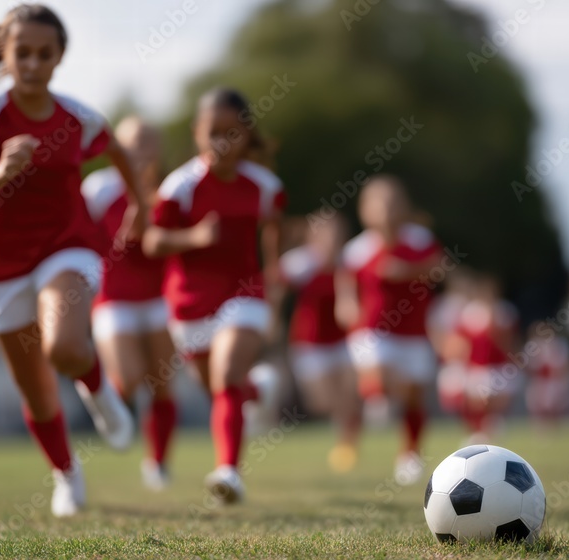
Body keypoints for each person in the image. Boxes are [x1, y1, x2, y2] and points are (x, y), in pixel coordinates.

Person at [0, 4, 143, 517]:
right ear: (6, 56)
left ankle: (100, 392)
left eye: (44, 54)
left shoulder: (78, 117)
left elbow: (117, 149)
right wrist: (1, 172)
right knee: (36, 391)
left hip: (66, 245)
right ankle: (67, 477)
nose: (32, 63)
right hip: (0, 265)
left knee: (65, 348)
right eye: (22, 53)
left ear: (59, 59)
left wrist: (141, 205)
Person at [142, 87, 284, 504]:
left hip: (244, 295)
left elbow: (274, 228)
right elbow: (152, 242)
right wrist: (195, 236)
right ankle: (259, 390)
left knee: (225, 379)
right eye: (213, 133)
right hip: (189, 305)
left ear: (246, 134)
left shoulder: (264, 186)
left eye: (232, 133)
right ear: (197, 133)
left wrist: (272, 281)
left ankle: (228, 472)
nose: (223, 142)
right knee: (223, 388)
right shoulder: (179, 187)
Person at [80, 117, 177, 491]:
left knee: (162, 385)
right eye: (134, 143)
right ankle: (97, 391)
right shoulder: (99, 189)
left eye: (149, 141)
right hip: (113, 298)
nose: (142, 150)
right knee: (129, 377)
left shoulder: (168, 190)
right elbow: (84, 239)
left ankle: (158, 464)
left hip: (157, 298)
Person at [337, 175, 443, 486]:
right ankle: (374, 398)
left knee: (414, 398)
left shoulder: (419, 239)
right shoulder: (357, 249)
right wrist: (345, 304)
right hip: (372, 330)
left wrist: (408, 271)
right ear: (365, 210)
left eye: (393, 202)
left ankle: (409, 454)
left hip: (414, 332)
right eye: (379, 203)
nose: (387, 209)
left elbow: (439, 269)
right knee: (379, 377)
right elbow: (345, 284)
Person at [279, 211, 361, 473]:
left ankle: (346, 446)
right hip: (309, 341)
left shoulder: (350, 260)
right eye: (327, 232)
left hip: (344, 340)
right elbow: (275, 287)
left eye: (337, 232)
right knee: (321, 401)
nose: (332, 237)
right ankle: (342, 431)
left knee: (349, 395)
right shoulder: (301, 263)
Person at [437, 274, 520, 444]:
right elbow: (460, 338)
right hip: (477, 366)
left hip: (499, 365)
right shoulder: (470, 313)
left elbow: (510, 339)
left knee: (496, 402)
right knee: (476, 401)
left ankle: (490, 427)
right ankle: (477, 432)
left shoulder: (504, 312)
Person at [524, 321, 569, 430]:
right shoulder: (534, 345)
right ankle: (541, 427)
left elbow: (565, 364)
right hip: (540, 380)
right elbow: (530, 366)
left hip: (556, 380)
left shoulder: (560, 344)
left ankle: (557, 427)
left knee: (558, 405)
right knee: (538, 405)